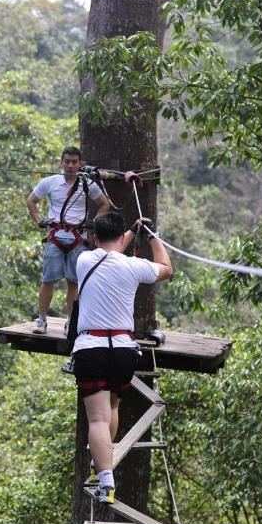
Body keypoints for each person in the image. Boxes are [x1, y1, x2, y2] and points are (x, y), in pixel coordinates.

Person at [71, 211, 173, 504]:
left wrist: (130, 230)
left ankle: (106, 480)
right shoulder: (133, 266)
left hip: (92, 348)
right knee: (112, 404)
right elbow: (166, 268)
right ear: (120, 237)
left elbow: (111, 248)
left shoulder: (84, 260)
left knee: (98, 418)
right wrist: (151, 236)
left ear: (94, 237)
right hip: (125, 350)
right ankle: (101, 464)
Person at [26, 147, 112, 334]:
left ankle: (70, 323)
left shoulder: (87, 183)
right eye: (67, 161)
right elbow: (31, 200)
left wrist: (93, 223)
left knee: (73, 282)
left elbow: (104, 203)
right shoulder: (50, 182)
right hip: (55, 235)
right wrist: (40, 221)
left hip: (77, 237)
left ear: (79, 163)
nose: (71, 165)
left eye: (74, 162)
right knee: (48, 280)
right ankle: (41, 320)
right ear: (62, 162)